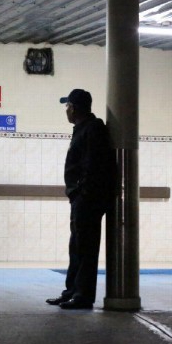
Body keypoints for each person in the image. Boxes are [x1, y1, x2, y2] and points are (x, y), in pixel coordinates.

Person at [46, 89, 114, 310]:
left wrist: (81, 192)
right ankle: (72, 292)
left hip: (89, 199)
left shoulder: (93, 129)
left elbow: (94, 165)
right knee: (76, 247)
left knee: (85, 248)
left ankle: (83, 296)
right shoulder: (82, 129)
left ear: (74, 108)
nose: (66, 110)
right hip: (81, 198)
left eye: (68, 106)